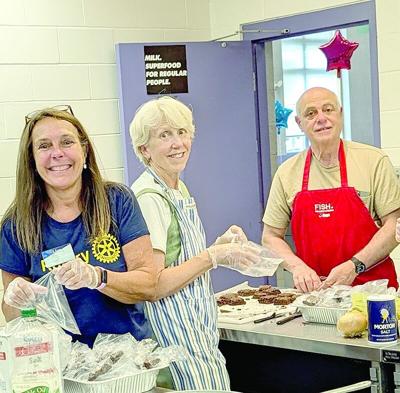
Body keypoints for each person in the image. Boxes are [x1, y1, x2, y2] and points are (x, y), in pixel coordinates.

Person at [130, 96, 260, 391]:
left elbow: (180, 257)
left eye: (182, 132)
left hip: (196, 329)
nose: (178, 143)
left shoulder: (177, 187)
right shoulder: (150, 198)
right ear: (144, 149)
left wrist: (221, 247)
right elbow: (155, 284)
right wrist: (213, 256)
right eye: (164, 135)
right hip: (175, 334)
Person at [0, 105, 157, 347]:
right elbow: (13, 315)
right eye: (44, 146)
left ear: (83, 149)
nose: (57, 153)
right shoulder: (16, 225)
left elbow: (149, 285)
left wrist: (97, 277)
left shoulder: (117, 201)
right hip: (61, 365)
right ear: (31, 158)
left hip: (130, 360)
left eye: (66, 142)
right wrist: (16, 299)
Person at [262, 87, 400, 293]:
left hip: (373, 293)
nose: (321, 118)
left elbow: (393, 226)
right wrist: (297, 267)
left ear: (341, 114)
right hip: (315, 296)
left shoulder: (373, 161)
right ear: (300, 123)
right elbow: (270, 237)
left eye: (328, 109)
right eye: (311, 113)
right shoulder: (287, 173)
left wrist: (355, 265)